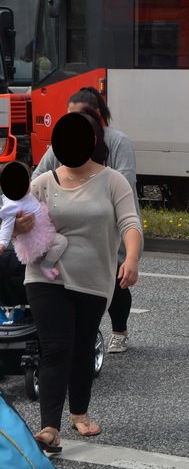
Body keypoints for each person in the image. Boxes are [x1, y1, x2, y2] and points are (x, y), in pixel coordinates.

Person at [15, 110, 142, 453]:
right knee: (56, 348)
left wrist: (130, 259)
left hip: (94, 279)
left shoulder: (113, 180)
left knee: (83, 345)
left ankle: (80, 413)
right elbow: (14, 221)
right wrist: (20, 227)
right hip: (44, 276)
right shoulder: (42, 183)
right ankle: (50, 428)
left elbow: (131, 224)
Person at [33, 87, 139, 355]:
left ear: (99, 116)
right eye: (69, 116)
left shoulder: (117, 142)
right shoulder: (63, 143)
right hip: (69, 220)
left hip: (106, 218)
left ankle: (119, 330)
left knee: (115, 277)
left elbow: (124, 183)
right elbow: (38, 177)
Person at [1, 161, 67, 280]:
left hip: (41, 229)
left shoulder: (26, 195)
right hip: (37, 236)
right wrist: (3, 243)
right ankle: (46, 265)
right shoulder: (12, 206)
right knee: (61, 242)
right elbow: (6, 226)